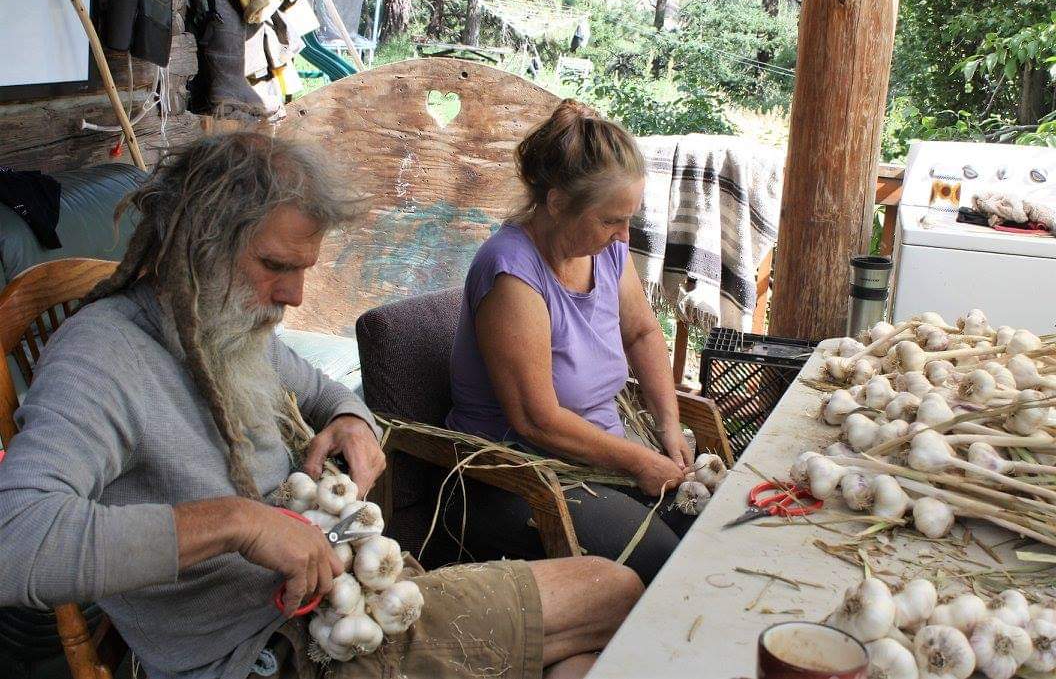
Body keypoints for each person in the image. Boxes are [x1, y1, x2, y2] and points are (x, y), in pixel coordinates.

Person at [0, 132, 643, 679]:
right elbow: (15, 540)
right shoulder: (101, 356)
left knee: (582, 655)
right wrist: (237, 523)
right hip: (271, 651)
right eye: (277, 265)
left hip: (349, 599)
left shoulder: (218, 327)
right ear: (195, 244)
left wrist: (351, 422)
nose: (297, 295)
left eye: (304, 267)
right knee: (612, 594)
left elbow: (325, 391)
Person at [445, 99, 695, 584]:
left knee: (708, 532)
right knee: (669, 569)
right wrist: (643, 462)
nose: (624, 235)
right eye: (610, 220)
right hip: (518, 478)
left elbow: (642, 332)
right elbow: (537, 421)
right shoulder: (512, 275)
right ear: (557, 203)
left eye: (630, 218)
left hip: (597, 458)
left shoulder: (606, 249)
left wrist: (669, 425)